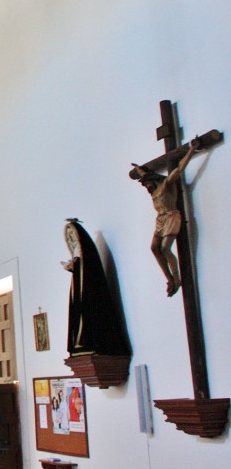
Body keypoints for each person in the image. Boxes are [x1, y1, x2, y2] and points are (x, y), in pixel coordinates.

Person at [131, 141, 198, 296]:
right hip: (160, 220)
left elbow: (179, 168)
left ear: (153, 180)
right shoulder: (154, 193)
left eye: (147, 184)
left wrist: (191, 150)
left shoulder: (166, 184)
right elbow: (144, 174)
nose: (146, 187)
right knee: (154, 248)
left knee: (165, 248)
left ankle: (177, 278)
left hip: (171, 216)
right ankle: (169, 279)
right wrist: (140, 171)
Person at [61, 218, 131, 357]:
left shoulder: (88, 255)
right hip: (79, 292)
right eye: (69, 236)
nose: (71, 238)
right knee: (79, 314)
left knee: (89, 313)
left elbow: (90, 273)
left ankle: (92, 342)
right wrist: (72, 267)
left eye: (72, 235)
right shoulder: (77, 255)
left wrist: (76, 266)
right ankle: (80, 344)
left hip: (89, 294)